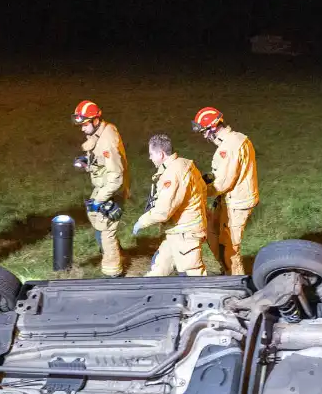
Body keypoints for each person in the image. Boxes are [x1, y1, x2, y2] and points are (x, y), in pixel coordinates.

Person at [192, 107, 258, 275]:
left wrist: (198, 191)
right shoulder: (237, 138)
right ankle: (227, 270)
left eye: (205, 131)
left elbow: (223, 184)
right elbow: (224, 173)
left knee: (230, 247)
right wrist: (206, 178)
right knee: (213, 231)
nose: (204, 136)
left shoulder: (227, 148)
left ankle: (236, 282)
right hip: (233, 198)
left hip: (237, 202)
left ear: (213, 128)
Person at [131, 134, 207, 277]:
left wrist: (142, 221)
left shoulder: (171, 174)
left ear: (161, 154)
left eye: (151, 154)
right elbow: (203, 188)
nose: (150, 158)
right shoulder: (185, 163)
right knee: (158, 268)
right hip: (178, 231)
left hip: (186, 234)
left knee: (193, 277)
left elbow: (163, 212)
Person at [72, 100, 129, 277]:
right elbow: (100, 162)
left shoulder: (107, 143)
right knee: (96, 219)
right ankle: (117, 254)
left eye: (85, 124)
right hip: (104, 185)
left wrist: (99, 199)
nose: (82, 129)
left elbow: (116, 176)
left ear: (96, 120)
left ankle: (113, 272)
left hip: (111, 189)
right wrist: (87, 162)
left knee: (106, 229)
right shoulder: (103, 130)